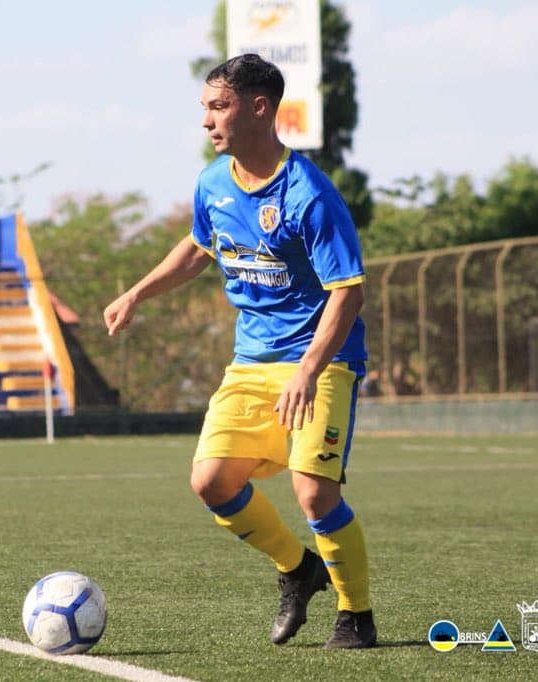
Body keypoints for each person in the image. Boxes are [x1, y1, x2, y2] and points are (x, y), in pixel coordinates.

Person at [102, 53, 376, 649]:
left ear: (259, 108)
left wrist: (308, 370)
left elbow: (348, 292)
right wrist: (136, 293)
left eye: (217, 106)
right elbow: (200, 247)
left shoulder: (310, 194)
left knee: (313, 490)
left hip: (321, 360)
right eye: (203, 107)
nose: (206, 121)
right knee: (212, 481)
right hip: (252, 361)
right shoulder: (212, 182)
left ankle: (355, 614)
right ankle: (299, 571)